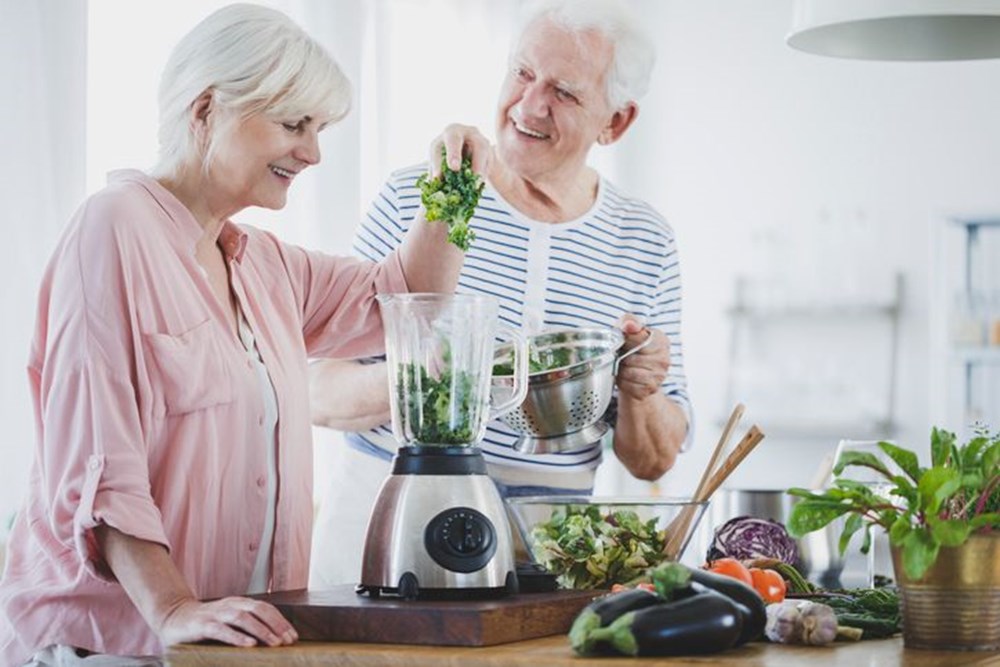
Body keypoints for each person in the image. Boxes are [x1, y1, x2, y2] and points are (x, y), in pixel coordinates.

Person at [0, 4, 465, 665]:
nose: (312, 152)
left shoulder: (266, 265)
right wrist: (173, 608)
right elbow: (100, 461)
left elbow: (407, 296)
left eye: (319, 128)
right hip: (113, 646)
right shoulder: (111, 229)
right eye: (293, 124)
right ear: (206, 109)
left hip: (230, 648)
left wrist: (454, 187)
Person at [308, 0, 692, 590]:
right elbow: (316, 386)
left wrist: (640, 391)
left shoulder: (645, 240)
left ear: (614, 122)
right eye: (522, 73)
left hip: (551, 550)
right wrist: (428, 382)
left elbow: (655, 460)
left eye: (565, 92)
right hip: (387, 528)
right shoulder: (425, 194)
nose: (530, 105)